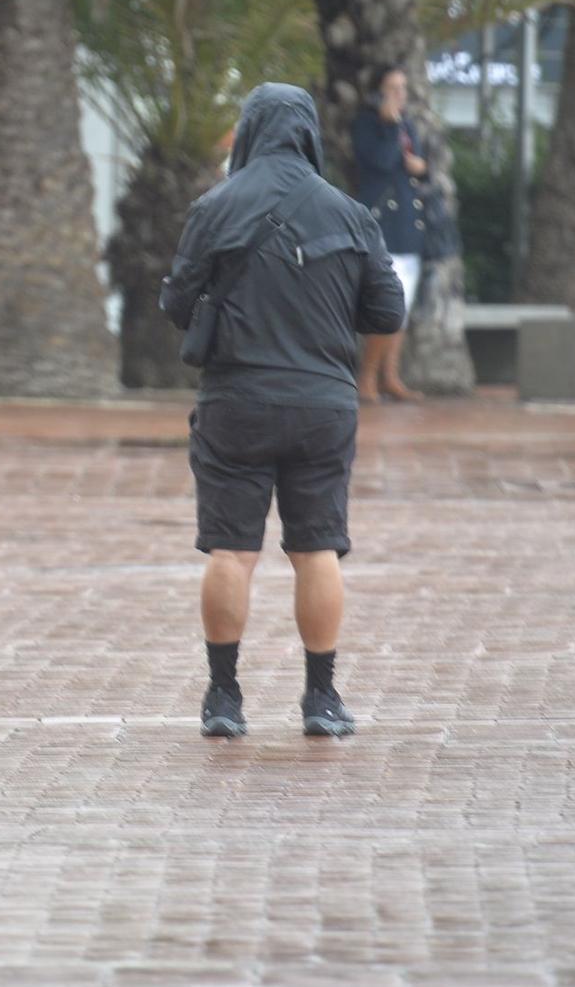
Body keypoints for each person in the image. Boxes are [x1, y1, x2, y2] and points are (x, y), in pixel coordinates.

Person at [160, 83, 406, 738]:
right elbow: (388, 312)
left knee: (230, 552)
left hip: (235, 401)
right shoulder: (351, 213)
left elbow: (176, 302)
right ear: (308, 135)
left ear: (246, 134)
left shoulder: (214, 207)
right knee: (317, 548)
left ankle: (223, 698)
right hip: (323, 403)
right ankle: (321, 699)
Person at [350, 67, 432, 403]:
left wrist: (421, 167)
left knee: (404, 305)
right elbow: (381, 162)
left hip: (409, 225)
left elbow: (420, 167)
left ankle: (390, 376)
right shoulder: (368, 125)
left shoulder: (406, 125)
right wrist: (389, 125)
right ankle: (366, 376)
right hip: (383, 225)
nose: (399, 94)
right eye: (392, 88)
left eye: (403, 88)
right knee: (387, 302)